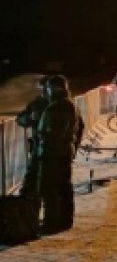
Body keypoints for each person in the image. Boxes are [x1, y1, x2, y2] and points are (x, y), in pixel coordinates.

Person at [31, 75, 80, 234]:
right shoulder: (65, 104)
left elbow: (56, 131)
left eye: (48, 88)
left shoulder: (60, 106)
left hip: (53, 152)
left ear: (56, 88)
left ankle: (52, 222)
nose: (46, 91)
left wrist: (43, 134)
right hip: (61, 151)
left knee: (50, 188)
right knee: (62, 187)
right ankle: (64, 221)